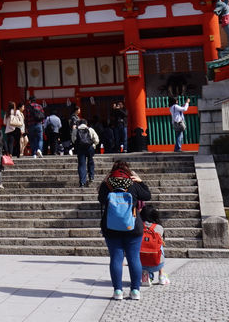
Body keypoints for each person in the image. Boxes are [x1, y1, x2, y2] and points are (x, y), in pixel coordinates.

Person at [98, 160, 152, 301]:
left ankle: (118, 291)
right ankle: (135, 291)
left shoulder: (107, 184)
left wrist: (105, 181)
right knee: (134, 258)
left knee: (116, 258)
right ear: (128, 171)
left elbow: (101, 199)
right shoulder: (133, 184)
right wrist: (140, 182)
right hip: (133, 227)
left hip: (111, 228)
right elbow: (147, 195)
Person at [139, 204, 170, 287]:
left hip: (141, 263)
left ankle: (145, 275)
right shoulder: (159, 227)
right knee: (159, 246)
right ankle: (161, 276)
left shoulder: (138, 226)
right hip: (157, 263)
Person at [72, 118, 99, 187]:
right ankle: (91, 176)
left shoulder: (76, 130)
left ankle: (82, 182)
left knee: (81, 165)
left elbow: (73, 140)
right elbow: (96, 140)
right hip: (89, 147)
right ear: (86, 123)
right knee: (90, 161)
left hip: (80, 149)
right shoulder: (90, 129)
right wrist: (93, 145)